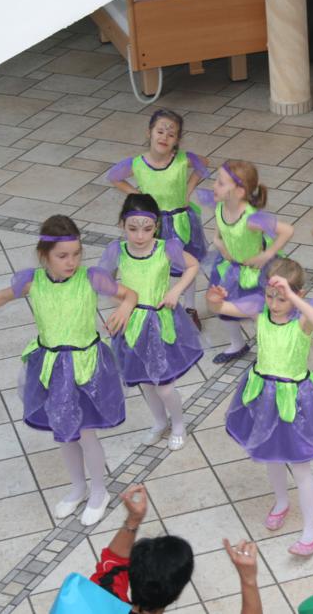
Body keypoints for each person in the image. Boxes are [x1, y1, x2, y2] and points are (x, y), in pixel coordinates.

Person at [0, 215, 137, 526]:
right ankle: (77, 487)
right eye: (62, 256)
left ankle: (99, 491)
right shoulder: (33, 281)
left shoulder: (91, 278)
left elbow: (129, 294)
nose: (71, 262)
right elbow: (1, 296)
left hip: (86, 366)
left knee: (86, 433)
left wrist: (126, 307)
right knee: (64, 433)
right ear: (44, 255)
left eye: (76, 254)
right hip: (52, 368)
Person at [207, 259, 313, 557]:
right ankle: (281, 502)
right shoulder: (259, 313)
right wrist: (213, 299)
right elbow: (222, 307)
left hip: (294, 400)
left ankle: (310, 532)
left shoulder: (302, 321)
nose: (274, 304)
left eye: (281, 298)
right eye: (270, 296)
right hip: (264, 395)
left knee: (300, 465)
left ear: (298, 295)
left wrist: (293, 296)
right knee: (271, 455)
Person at [102, 193, 205, 451]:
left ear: (156, 226)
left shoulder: (166, 248)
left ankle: (178, 425)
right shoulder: (117, 251)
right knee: (146, 382)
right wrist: (120, 303)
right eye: (132, 229)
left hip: (160, 324)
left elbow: (192, 266)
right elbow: (103, 281)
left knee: (165, 385)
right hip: (131, 325)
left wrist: (176, 290)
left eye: (147, 229)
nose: (140, 236)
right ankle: (159, 422)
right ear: (122, 224)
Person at [107, 109, 210, 329]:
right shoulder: (137, 163)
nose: (164, 137)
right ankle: (156, 303)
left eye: (171, 134)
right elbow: (114, 176)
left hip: (181, 222)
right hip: (152, 224)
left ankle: (190, 307)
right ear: (150, 132)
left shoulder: (181, 160)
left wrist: (188, 188)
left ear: (177, 140)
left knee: (187, 262)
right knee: (155, 265)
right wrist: (137, 195)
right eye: (160, 131)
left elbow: (203, 163)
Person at [91, 483, 262, 614]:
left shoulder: (99, 597)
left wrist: (133, 519)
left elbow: (113, 561)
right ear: (177, 593)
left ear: (131, 574)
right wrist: (248, 579)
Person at [198, 160, 294, 363]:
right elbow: (219, 233)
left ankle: (271, 354)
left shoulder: (251, 219)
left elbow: (287, 230)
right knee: (224, 303)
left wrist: (267, 255)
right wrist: (219, 244)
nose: (214, 185)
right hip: (232, 267)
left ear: (240, 192)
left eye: (221, 183)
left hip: (256, 272)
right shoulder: (221, 206)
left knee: (259, 313)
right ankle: (237, 344)